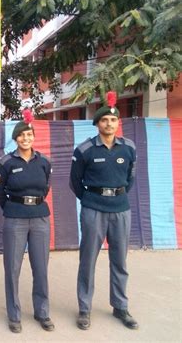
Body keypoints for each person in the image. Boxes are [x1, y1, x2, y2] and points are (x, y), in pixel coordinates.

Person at [70, 91, 138, 330]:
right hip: (93, 209)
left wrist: (116, 195)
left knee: (119, 260)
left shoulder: (129, 147)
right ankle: (84, 308)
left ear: (118, 122)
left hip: (121, 209)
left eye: (113, 120)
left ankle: (120, 306)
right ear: (97, 123)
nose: (109, 123)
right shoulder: (85, 149)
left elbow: (130, 178)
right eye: (104, 120)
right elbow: (75, 182)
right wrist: (92, 199)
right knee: (88, 260)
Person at [0, 109, 55, 333]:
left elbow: (46, 186)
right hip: (15, 217)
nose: (25, 138)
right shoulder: (6, 162)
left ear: (33, 137)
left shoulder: (44, 162)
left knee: (41, 267)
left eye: (29, 135)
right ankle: (14, 314)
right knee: (13, 268)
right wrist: (13, 207)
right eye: (21, 135)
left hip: (39, 217)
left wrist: (33, 202)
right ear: (16, 138)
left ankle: (42, 312)